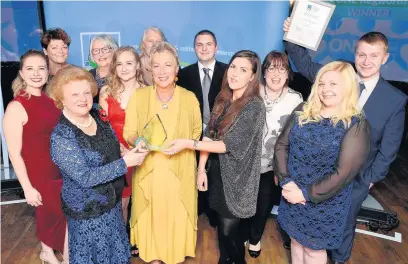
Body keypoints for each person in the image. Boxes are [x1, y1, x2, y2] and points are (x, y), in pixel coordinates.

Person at [283, 19, 407, 264]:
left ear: (385, 57)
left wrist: (369, 180)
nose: (366, 61)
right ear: (355, 54)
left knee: (342, 232)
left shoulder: (395, 100)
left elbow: (388, 151)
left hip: (354, 182)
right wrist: (293, 33)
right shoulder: (337, 77)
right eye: (361, 54)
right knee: (306, 234)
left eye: (374, 55)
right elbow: (304, 62)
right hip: (315, 176)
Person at [165, 50, 265, 264]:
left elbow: (229, 145)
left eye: (243, 69)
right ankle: (224, 261)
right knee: (221, 226)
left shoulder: (254, 106)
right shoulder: (224, 98)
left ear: (252, 76)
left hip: (238, 180)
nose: (235, 73)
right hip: (217, 174)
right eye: (233, 67)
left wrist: (187, 143)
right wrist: (201, 169)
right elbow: (210, 136)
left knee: (229, 231)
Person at [49, 66, 148, 264]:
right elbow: (85, 177)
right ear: (62, 100)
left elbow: (111, 141)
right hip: (87, 212)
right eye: (74, 94)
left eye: (86, 92)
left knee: (115, 254)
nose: (83, 98)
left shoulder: (96, 112)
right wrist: (125, 163)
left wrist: (123, 151)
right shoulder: (61, 137)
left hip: (111, 203)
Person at [275, 61, 370, 264]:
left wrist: (304, 194)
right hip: (291, 192)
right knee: (295, 241)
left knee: (313, 251)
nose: (325, 89)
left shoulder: (356, 124)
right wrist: (286, 182)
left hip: (324, 202)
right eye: (321, 83)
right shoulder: (303, 109)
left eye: (333, 84)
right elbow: (282, 145)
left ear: (348, 87)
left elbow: (343, 173)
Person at [123, 42, 201, 264]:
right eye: (157, 66)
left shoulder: (189, 98)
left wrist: (185, 144)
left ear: (177, 69)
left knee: (176, 215)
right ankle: (154, 257)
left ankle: (174, 255)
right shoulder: (139, 97)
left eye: (168, 65)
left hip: (180, 171)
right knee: (152, 216)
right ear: (150, 69)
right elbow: (129, 132)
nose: (163, 71)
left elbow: (197, 134)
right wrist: (137, 140)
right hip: (149, 172)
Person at [3, 49, 68, 264]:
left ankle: (47, 252)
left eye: (41, 68)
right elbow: (14, 153)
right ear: (22, 73)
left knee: (52, 215)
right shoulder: (16, 106)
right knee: (59, 215)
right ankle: (64, 257)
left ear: (48, 71)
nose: (36, 73)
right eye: (30, 69)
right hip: (38, 174)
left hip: (60, 168)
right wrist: (27, 187)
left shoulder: (52, 100)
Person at [246, 51, 303, 258]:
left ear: (288, 74)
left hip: (274, 165)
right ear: (264, 72)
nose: (276, 74)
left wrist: (284, 169)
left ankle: (254, 238)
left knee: (264, 203)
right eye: (271, 68)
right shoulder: (252, 91)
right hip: (247, 161)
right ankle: (245, 232)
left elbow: (296, 138)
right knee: (246, 202)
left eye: (282, 69)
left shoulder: (296, 99)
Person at [177, 29, 228, 227]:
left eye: (208, 44)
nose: (204, 48)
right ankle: (198, 208)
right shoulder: (185, 73)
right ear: (194, 48)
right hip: (193, 133)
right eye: (199, 44)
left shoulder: (227, 71)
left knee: (217, 173)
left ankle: (215, 212)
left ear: (216, 47)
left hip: (222, 133)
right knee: (195, 171)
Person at [99, 46, 145, 257]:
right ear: (114, 68)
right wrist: (122, 151)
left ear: (137, 65)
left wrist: (137, 150)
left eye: (129, 63)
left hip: (142, 154)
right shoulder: (106, 92)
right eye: (119, 64)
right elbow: (103, 129)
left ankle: (140, 239)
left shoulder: (148, 92)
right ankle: (121, 243)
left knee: (143, 200)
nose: (124, 68)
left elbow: (151, 127)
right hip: (115, 157)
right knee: (122, 202)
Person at [89, 34, 119, 102]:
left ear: (114, 50)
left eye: (105, 49)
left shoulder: (122, 74)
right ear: (92, 55)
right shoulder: (88, 75)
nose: (101, 54)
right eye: (96, 50)